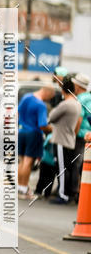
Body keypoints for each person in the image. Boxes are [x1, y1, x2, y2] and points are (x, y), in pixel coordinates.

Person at [48, 75, 83, 204]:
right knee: (67, 168)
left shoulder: (66, 104)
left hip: (61, 140)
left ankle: (63, 195)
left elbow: (51, 117)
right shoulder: (77, 103)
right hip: (69, 139)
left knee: (61, 169)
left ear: (64, 90)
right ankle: (66, 194)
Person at [17, 84, 54, 200]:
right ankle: (23, 189)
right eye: (51, 96)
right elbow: (43, 125)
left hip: (21, 131)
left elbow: (17, 113)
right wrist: (53, 129)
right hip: (33, 134)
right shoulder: (41, 105)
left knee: (22, 161)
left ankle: (20, 187)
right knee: (28, 162)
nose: (50, 99)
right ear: (47, 93)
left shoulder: (26, 97)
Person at [71, 73, 91, 201]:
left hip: (80, 136)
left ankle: (74, 192)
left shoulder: (80, 99)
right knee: (86, 165)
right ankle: (83, 193)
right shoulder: (89, 97)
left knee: (76, 165)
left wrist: (73, 134)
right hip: (89, 136)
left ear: (77, 86)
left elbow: (78, 119)